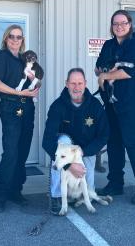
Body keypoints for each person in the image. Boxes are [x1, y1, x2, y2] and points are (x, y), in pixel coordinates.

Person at [95, 9, 135, 205]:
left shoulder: (134, 44)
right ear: (112, 27)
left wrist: (108, 74)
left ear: (130, 25)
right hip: (111, 104)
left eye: (123, 23)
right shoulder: (108, 45)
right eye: (115, 23)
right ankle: (115, 183)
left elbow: (128, 72)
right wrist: (110, 69)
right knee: (113, 144)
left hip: (131, 105)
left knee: (133, 143)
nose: (119, 26)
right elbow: (99, 67)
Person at [42, 68, 109, 215]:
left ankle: (75, 196)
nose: (76, 87)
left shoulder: (95, 106)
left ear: (85, 84)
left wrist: (84, 152)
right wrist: (68, 165)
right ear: (66, 84)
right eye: (73, 83)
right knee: (63, 141)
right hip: (66, 154)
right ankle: (56, 195)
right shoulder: (57, 106)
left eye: (79, 83)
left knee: (85, 193)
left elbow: (104, 135)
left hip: (85, 152)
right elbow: (47, 141)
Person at [0, 25, 39, 212]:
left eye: (19, 37)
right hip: (11, 107)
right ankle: (0, 195)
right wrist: (20, 93)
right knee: (10, 152)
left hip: (28, 107)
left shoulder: (25, 60)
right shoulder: (2, 57)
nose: (15, 40)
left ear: (22, 40)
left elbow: (32, 82)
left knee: (22, 151)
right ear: (5, 38)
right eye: (12, 36)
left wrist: (33, 89)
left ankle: (15, 190)